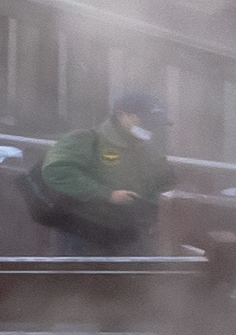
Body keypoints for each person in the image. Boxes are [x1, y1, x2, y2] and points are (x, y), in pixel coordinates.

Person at [29, 89, 176, 251]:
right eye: (145, 121)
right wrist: (107, 194)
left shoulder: (147, 150)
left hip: (130, 234)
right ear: (122, 115)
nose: (150, 127)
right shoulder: (85, 139)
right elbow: (55, 171)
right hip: (85, 233)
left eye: (155, 123)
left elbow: (162, 183)